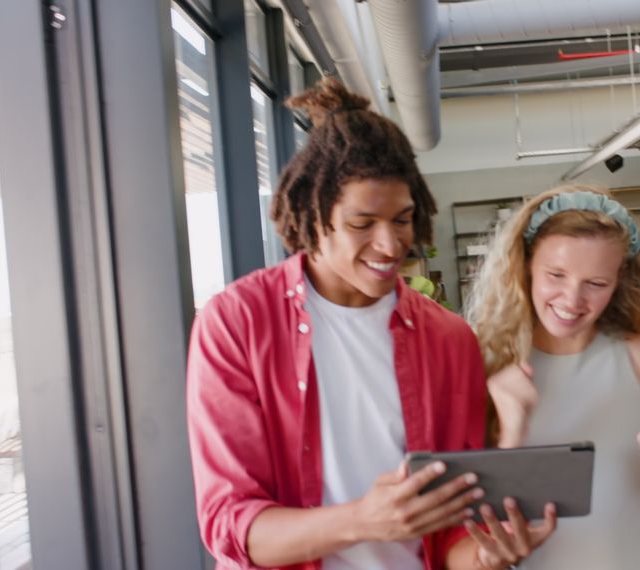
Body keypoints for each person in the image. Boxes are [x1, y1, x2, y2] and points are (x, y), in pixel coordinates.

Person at [185, 78, 554, 570]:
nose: (390, 245)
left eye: (402, 220)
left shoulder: (448, 339)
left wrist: (489, 555)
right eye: (363, 224)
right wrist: (363, 519)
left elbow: (450, 538)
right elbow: (230, 526)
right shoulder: (236, 323)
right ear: (316, 218)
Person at [466, 185, 640, 568]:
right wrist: (511, 435)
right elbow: (483, 539)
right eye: (555, 275)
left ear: (620, 281)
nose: (572, 299)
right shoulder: (486, 367)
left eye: (596, 283)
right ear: (526, 265)